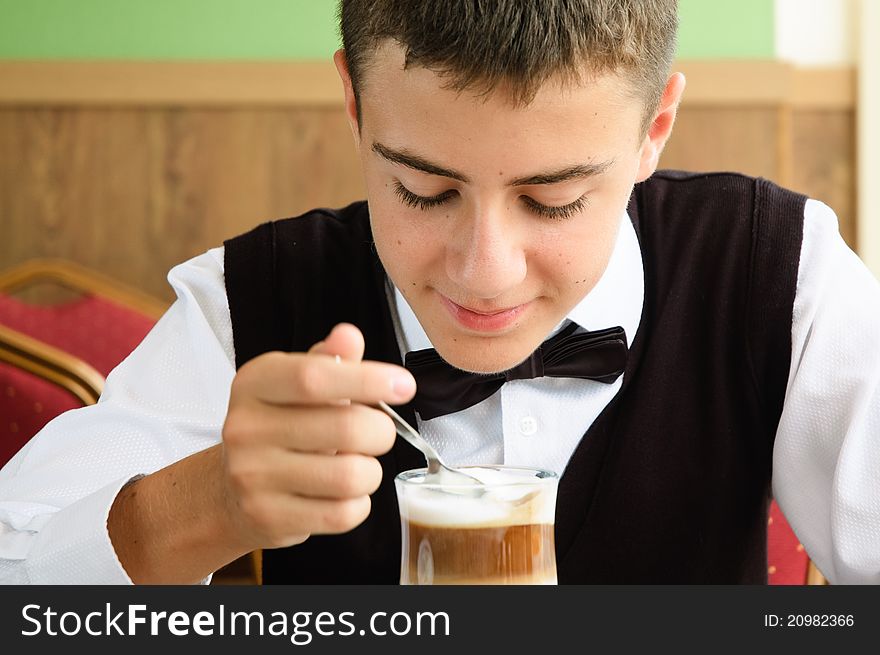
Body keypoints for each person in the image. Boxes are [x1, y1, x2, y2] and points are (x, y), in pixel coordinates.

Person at [1, 0, 878, 585]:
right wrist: (207, 504)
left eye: (554, 198)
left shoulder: (780, 273)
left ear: (654, 130)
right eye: (423, 190)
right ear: (353, 103)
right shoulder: (249, 303)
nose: (484, 271)